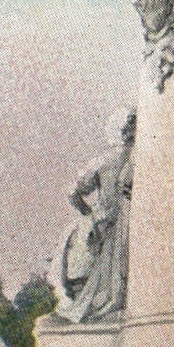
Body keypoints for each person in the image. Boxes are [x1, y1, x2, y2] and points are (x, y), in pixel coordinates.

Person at [55, 108, 136, 322]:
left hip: (103, 221)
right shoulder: (136, 156)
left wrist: (88, 213)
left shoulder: (103, 160)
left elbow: (73, 193)